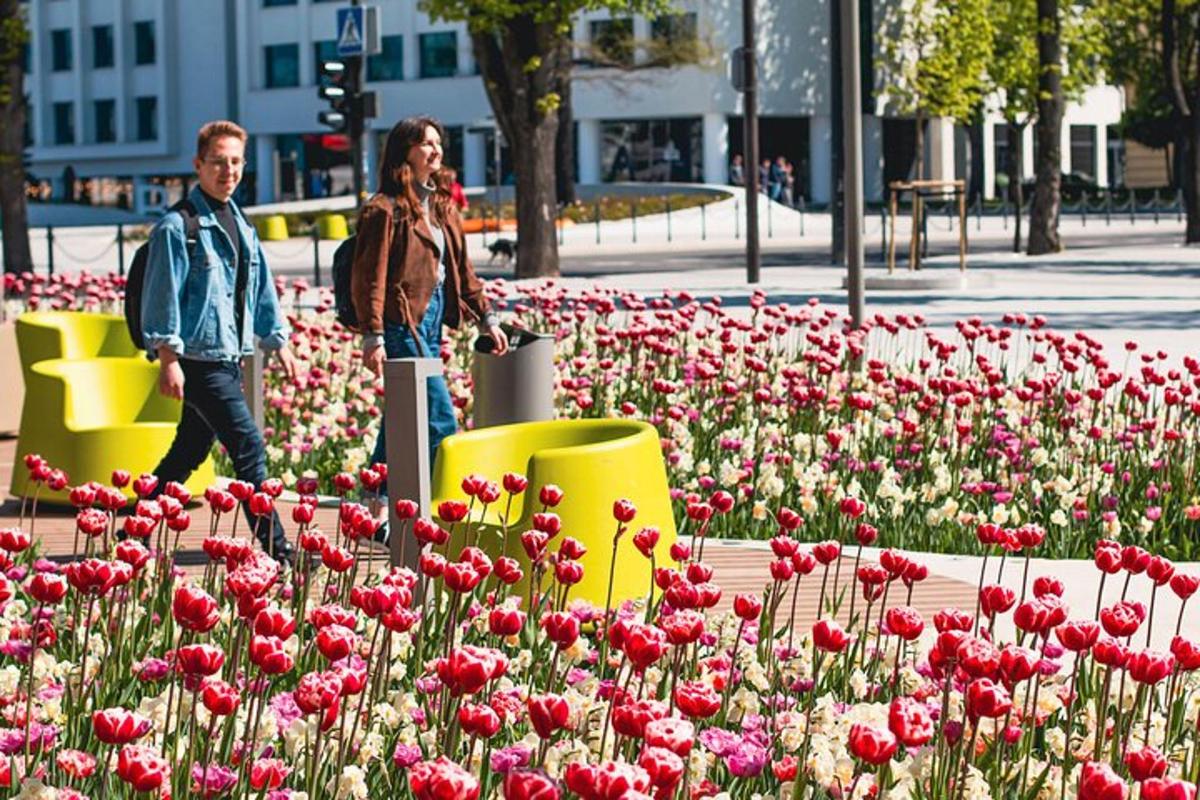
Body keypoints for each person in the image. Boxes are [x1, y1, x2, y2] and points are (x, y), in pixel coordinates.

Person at [141, 120, 298, 563]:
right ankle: (278, 550)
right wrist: (167, 357)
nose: (227, 170)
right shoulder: (178, 227)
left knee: (186, 452)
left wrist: (277, 339)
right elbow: (162, 296)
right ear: (198, 165)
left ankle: (135, 529)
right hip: (197, 358)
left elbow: (260, 286)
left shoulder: (241, 223)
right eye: (218, 161)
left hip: (229, 356)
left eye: (235, 162)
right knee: (248, 446)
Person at [352, 116, 509, 478]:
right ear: (404, 151)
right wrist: (373, 335)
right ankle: (445, 501)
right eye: (425, 143)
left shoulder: (442, 208)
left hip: (433, 316)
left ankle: (374, 494)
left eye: (438, 142)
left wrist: (488, 318)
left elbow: (463, 272)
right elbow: (369, 278)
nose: (435, 149)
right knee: (439, 416)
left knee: (405, 412)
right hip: (402, 323)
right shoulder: (385, 209)